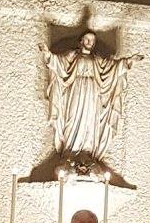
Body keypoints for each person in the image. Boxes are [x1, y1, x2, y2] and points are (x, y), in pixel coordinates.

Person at [40, 32, 143, 162]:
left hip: (92, 93)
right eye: (87, 39)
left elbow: (112, 67)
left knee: (90, 119)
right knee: (72, 117)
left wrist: (129, 61)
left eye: (92, 40)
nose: (90, 42)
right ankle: (70, 150)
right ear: (81, 41)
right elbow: (59, 63)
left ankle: (87, 153)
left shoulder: (97, 59)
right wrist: (47, 54)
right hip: (76, 91)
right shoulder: (72, 55)